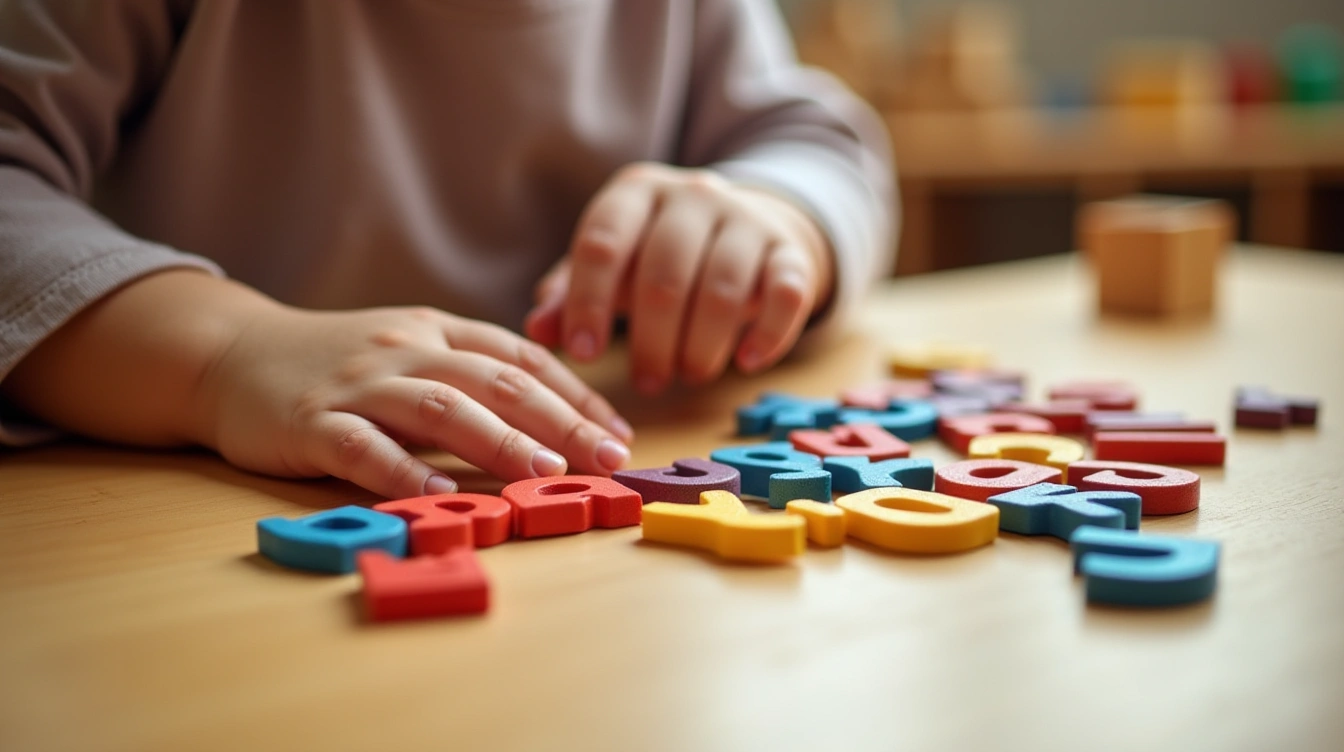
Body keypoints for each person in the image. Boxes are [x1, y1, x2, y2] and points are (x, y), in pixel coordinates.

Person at [0, 0, 894, 500]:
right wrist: (227, 357)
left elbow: (813, 139)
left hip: (579, 534)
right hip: (189, 517)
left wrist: (779, 216)